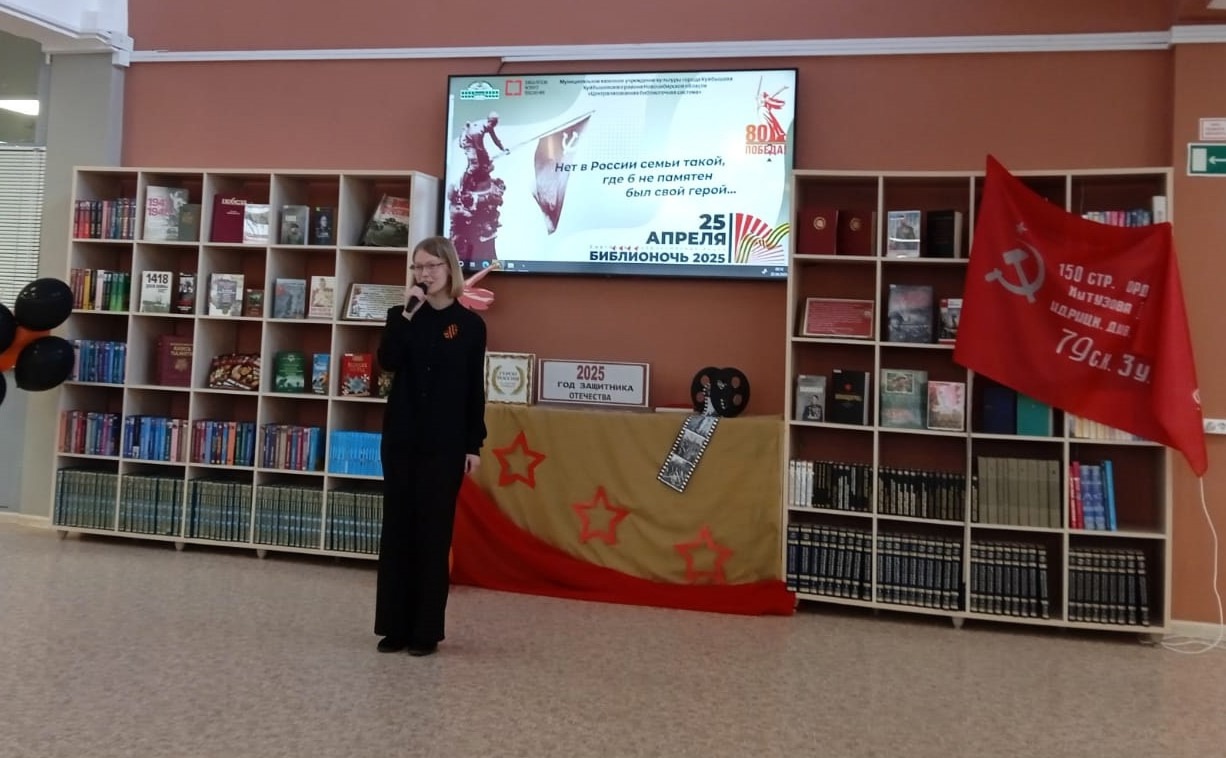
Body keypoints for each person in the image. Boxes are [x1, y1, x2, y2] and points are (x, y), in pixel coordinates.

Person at [374, 236, 487, 656]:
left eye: (432, 266)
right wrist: (406, 314)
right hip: (401, 439)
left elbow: (473, 390)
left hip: (445, 444)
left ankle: (425, 632)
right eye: (418, 267)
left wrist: (473, 444)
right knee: (398, 531)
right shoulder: (400, 316)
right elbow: (388, 362)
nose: (424, 274)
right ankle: (394, 627)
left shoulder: (470, 325)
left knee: (432, 534)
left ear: (449, 269)